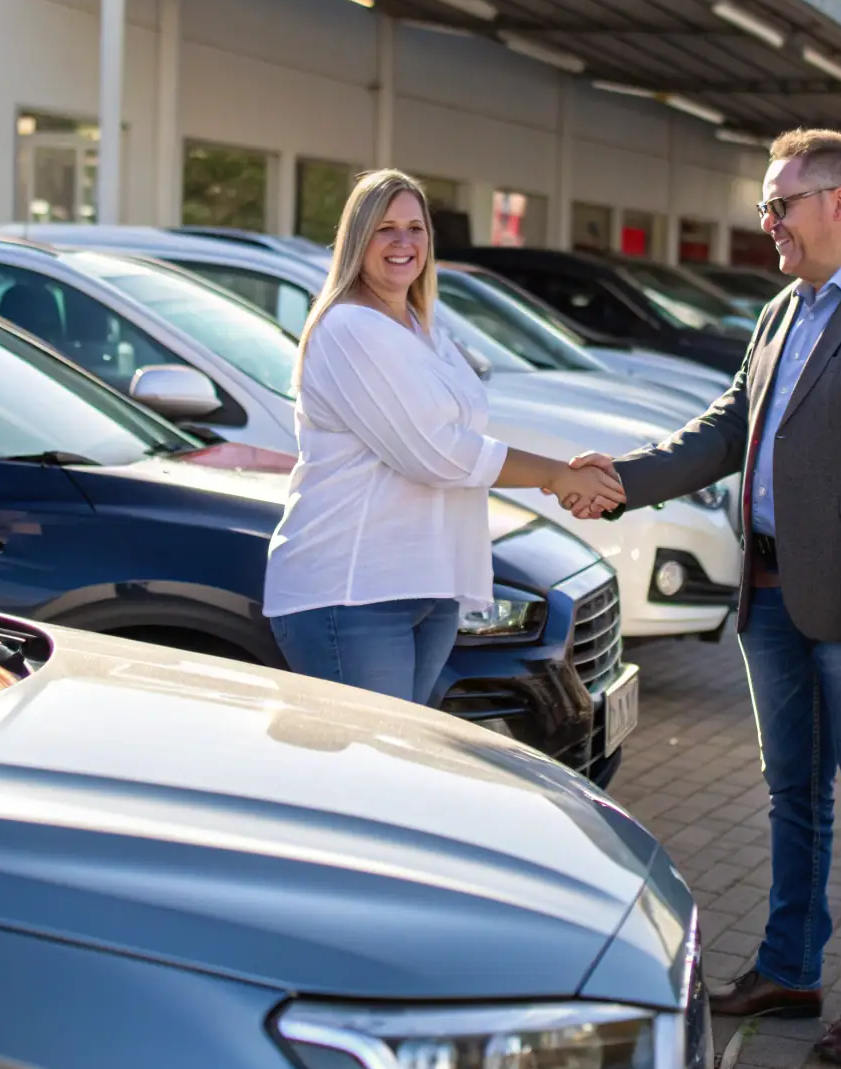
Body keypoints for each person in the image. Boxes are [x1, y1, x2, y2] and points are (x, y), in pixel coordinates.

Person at [562, 128, 841, 1066]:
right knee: (794, 793)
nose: (768, 222)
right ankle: (789, 966)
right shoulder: (782, 308)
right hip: (774, 592)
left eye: (779, 204)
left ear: (840, 202)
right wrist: (620, 477)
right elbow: (727, 428)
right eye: (766, 206)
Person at [263, 168, 624, 708]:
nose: (403, 242)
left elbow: (461, 431)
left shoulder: (420, 323)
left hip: (426, 585)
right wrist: (556, 475)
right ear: (357, 238)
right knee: (373, 772)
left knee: (407, 767)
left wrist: (568, 475)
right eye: (385, 228)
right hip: (353, 592)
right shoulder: (350, 328)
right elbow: (436, 453)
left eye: (415, 227)